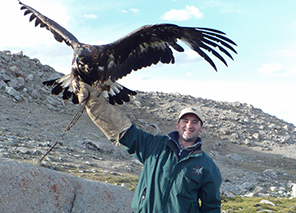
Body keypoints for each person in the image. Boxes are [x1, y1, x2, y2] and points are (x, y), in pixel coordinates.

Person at [78, 82, 222, 213]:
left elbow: (212, 207)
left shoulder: (207, 166)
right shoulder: (156, 145)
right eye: (185, 121)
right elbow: (125, 132)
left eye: (195, 122)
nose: (189, 126)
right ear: (178, 125)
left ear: (201, 129)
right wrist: (95, 103)